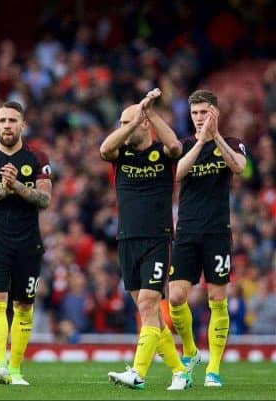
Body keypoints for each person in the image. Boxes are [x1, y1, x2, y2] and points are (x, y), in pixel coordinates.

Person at [100, 88, 192, 390]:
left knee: (150, 303)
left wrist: (149, 112)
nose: (124, 129)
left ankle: (138, 374)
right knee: (147, 311)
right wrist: (129, 120)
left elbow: (176, 147)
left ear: (144, 124)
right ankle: (180, 371)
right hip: (127, 239)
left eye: (130, 122)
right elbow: (104, 149)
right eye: (121, 123)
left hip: (157, 238)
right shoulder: (120, 154)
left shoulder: (161, 154)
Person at [0, 101, 52, 386]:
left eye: (12, 120)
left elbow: (45, 199)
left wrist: (16, 186)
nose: (7, 125)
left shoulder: (37, 157)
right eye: (2, 120)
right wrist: (2, 193)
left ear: (22, 125)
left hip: (29, 242)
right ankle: (0, 365)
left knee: (24, 306)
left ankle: (16, 371)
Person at [168, 89, 247, 388]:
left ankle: (213, 369)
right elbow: (178, 173)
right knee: (175, 297)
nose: (199, 118)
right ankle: (191, 350)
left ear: (215, 112)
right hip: (187, 231)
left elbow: (239, 167)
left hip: (217, 232)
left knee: (217, 299)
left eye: (204, 112)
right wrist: (202, 139)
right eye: (195, 114)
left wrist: (216, 138)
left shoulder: (233, 143)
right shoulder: (186, 144)